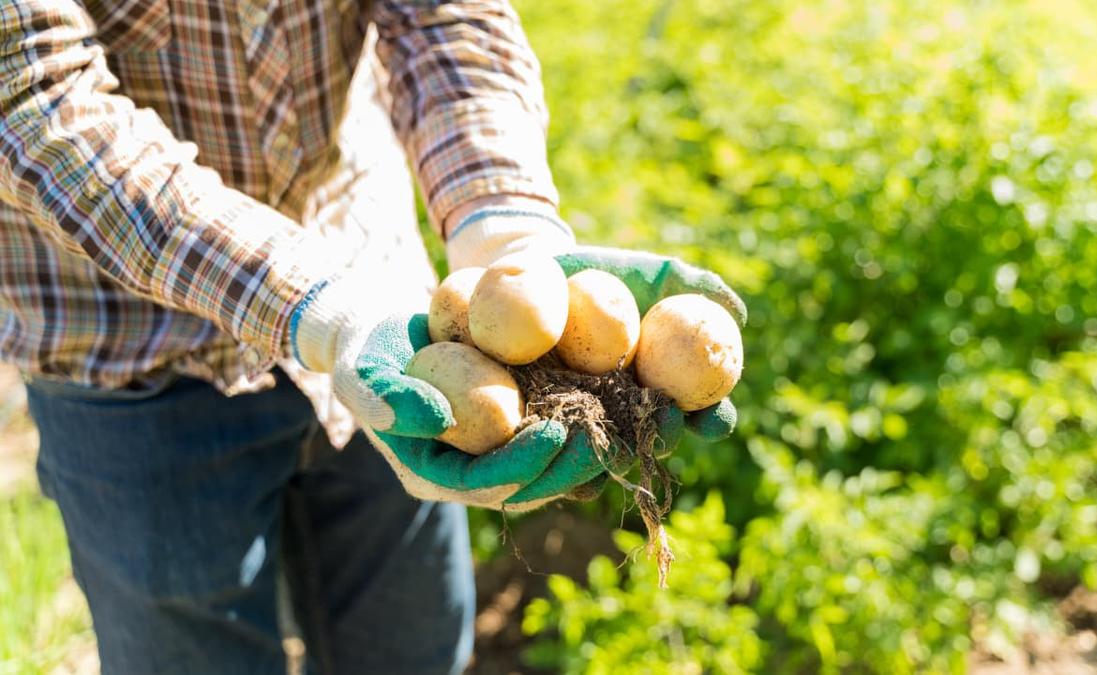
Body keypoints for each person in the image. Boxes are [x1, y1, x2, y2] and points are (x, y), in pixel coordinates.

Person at [0, 1, 745, 673]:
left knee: (413, 648)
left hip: (385, 324)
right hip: (127, 348)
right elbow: (37, 100)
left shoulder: (423, 354)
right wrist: (319, 308)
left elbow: (446, 16)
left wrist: (504, 224)